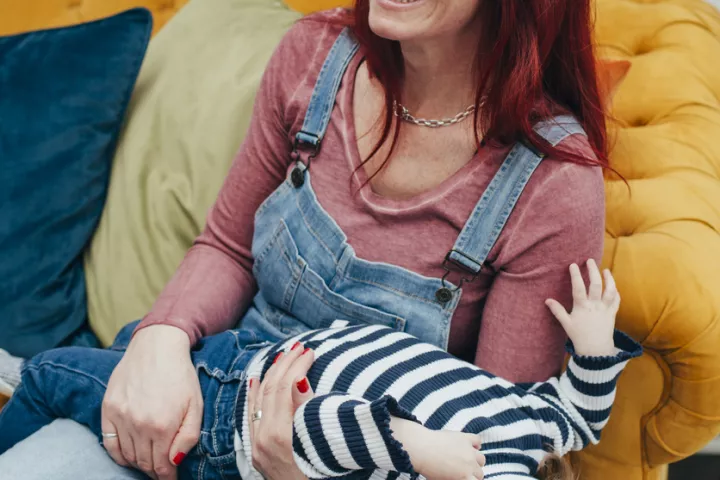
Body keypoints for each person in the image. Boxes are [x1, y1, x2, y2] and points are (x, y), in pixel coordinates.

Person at [0, 1, 611, 479]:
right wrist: (162, 342)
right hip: (206, 385)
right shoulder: (314, 57)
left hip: (341, 461)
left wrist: (292, 471)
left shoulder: (553, 185)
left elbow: (491, 435)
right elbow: (229, 247)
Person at [0, 260, 641, 480]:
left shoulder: (431, 466)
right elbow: (580, 412)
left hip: (232, 422)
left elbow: (312, 428)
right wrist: (592, 346)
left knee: (57, 374)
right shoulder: (542, 434)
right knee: (126, 345)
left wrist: (413, 446)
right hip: (250, 352)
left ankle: (21, 386)